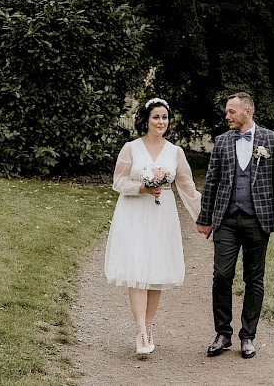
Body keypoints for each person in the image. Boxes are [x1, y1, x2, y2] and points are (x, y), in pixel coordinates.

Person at [197, 92, 274, 360]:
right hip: (226, 219)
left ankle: (248, 336)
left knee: (254, 279)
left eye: (231, 112)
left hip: (258, 219)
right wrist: (205, 218)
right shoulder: (222, 141)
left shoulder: (271, 140)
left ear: (247, 112)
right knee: (222, 275)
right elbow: (212, 182)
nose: (227, 116)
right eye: (227, 112)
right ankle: (223, 333)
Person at [104, 97, 202, 356]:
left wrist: (204, 216)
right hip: (135, 212)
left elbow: (187, 187)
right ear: (146, 120)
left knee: (156, 271)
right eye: (156, 117)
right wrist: (141, 188)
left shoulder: (175, 152)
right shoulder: (131, 148)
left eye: (165, 117)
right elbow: (118, 182)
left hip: (162, 214)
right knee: (137, 267)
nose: (161, 122)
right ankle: (140, 331)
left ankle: (150, 325)